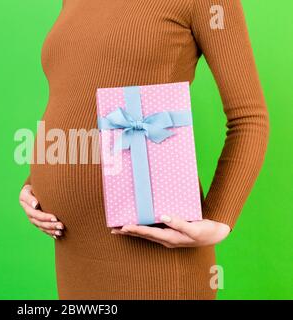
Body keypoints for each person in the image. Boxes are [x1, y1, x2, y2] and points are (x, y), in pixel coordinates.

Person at [18, 0, 269, 299]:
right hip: (73, 248)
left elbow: (249, 118)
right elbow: (72, 94)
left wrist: (220, 218)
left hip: (154, 251)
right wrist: (37, 182)